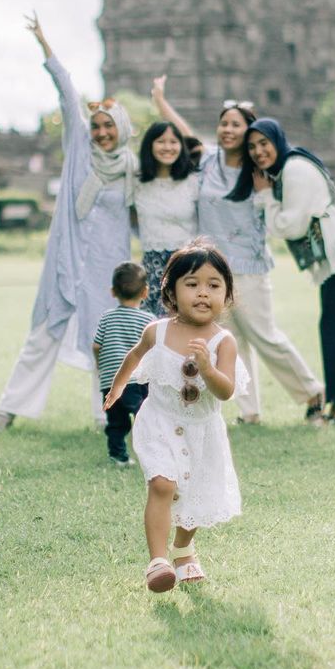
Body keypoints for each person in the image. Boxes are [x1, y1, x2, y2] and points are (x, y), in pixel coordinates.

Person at [0, 14, 137, 432]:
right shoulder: (80, 156)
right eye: (97, 127)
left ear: (122, 131)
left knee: (106, 343)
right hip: (69, 261)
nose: (102, 133)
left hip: (109, 267)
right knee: (43, 336)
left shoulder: (131, 169)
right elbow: (69, 97)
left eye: (110, 127)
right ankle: (7, 410)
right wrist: (44, 42)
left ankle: (104, 415)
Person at [152, 78, 324, 426]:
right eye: (224, 123)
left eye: (236, 124)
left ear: (248, 132)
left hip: (248, 266)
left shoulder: (258, 171)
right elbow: (183, 131)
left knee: (265, 335)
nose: (228, 130)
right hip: (213, 270)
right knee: (232, 340)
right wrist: (159, 99)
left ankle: (312, 392)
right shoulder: (208, 160)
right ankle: (249, 411)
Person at [104, 240, 245, 592]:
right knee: (163, 484)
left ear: (226, 295)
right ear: (171, 290)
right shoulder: (158, 331)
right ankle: (158, 562)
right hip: (160, 422)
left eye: (214, 285)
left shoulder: (223, 341)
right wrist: (118, 388)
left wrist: (208, 370)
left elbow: (226, 390)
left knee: (195, 494)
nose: (202, 293)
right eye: (192, 283)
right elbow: (135, 356)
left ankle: (183, 548)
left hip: (202, 431)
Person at [228, 118, 335, 427]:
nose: (259, 152)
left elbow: (290, 226)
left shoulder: (295, 170)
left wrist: (265, 197)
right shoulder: (288, 168)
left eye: (264, 143)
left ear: (278, 141)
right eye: (252, 147)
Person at [132, 120, 200, 314]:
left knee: (183, 328)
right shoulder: (137, 182)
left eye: (173, 142)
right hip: (151, 266)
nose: (168, 147)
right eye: (161, 141)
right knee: (153, 329)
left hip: (187, 266)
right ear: (150, 145)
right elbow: (130, 218)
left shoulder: (193, 180)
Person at [93, 261, 152, 467]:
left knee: (116, 422)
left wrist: (100, 367)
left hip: (110, 381)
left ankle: (118, 456)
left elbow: (96, 345)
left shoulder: (106, 318)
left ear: (112, 292)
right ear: (145, 292)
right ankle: (152, 454)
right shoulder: (148, 320)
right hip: (136, 380)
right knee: (145, 418)